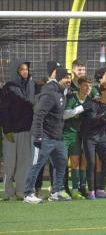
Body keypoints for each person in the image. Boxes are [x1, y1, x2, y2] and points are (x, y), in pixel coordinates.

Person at [23, 67, 72, 204]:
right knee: (36, 165)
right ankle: (28, 194)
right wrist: (38, 135)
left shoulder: (61, 91)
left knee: (61, 163)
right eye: (66, 77)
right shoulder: (50, 93)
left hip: (57, 137)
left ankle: (55, 192)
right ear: (59, 78)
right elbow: (39, 114)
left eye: (69, 77)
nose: (69, 80)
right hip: (44, 136)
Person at [1, 59, 35, 200]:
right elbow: (3, 111)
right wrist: (7, 130)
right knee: (10, 163)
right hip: (12, 132)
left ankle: (21, 191)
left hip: (26, 130)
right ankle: (9, 192)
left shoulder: (31, 85)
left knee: (25, 162)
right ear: (16, 71)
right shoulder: (8, 88)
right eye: (21, 69)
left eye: (26, 69)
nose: (25, 71)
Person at [81, 81, 106, 199]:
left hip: (102, 137)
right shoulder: (93, 103)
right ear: (102, 91)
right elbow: (91, 120)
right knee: (91, 162)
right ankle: (91, 191)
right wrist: (105, 115)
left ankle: (100, 189)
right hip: (89, 136)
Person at [62, 76, 93, 200]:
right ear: (79, 86)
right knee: (62, 162)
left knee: (76, 162)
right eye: (85, 85)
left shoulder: (90, 100)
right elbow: (64, 115)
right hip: (65, 135)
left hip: (78, 136)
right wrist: (81, 108)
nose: (88, 88)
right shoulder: (72, 98)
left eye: (90, 86)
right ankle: (60, 188)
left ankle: (76, 190)